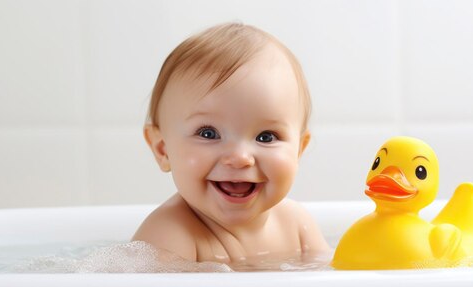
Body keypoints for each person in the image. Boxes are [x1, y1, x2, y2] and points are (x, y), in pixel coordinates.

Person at [133, 23, 330, 266]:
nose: (240, 157)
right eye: (208, 133)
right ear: (162, 149)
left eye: (266, 137)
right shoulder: (169, 237)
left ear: (298, 150)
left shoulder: (298, 224)